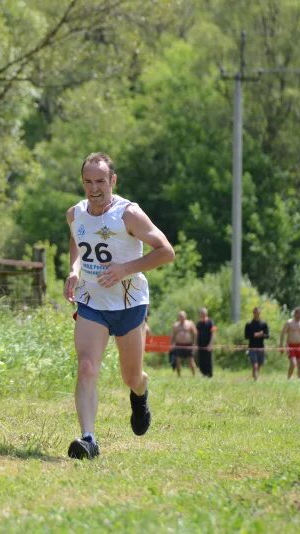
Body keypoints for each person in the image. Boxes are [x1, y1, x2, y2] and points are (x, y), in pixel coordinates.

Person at [63, 152, 175, 460]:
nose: (94, 188)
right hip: (91, 302)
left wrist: (125, 269)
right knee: (86, 367)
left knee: (131, 376)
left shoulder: (129, 214)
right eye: (88, 181)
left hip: (129, 303)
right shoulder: (75, 213)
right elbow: (76, 239)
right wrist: (74, 270)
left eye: (100, 181)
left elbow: (166, 252)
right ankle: (88, 439)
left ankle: (140, 396)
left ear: (113, 180)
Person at [279, 307, 300, 380]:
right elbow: (282, 334)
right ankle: (288, 379)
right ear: (295, 313)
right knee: (293, 364)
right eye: (299, 313)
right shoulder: (289, 322)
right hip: (290, 346)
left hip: (299, 346)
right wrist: (281, 346)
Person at [245, 307, 269, 381]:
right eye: (255, 313)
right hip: (251, 347)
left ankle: (254, 375)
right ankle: (256, 379)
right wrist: (256, 334)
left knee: (259, 364)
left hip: (261, 347)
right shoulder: (249, 324)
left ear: (260, 313)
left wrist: (262, 335)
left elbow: (267, 335)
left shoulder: (264, 324)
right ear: (253, 313)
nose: (256, 314)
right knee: (255, 364)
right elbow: (246, 336)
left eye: (258, 313)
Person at [171, 311, 197, 377]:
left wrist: (194, 344)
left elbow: (195, 334)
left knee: (191, 362)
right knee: (178, 361)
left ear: (185, 316)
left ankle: (194, 375)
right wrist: (172, 344)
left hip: (188, 345)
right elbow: (173, 335)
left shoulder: (190, 323)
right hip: (178, 345)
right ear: (178, 317)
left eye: (182, 316)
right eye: (180, 316)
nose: (181, 318)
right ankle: (179, 376)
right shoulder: (176, 325)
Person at [196, 307, 216, 378]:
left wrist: (210, 344)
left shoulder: (211, 322)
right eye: (201, 313)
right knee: (201, 360)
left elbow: (213, 333)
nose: (203, 314)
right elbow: (197, 334)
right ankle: (203, 374)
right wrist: (195, 344)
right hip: (200, 344)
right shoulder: (198, 323)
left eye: (204, 313)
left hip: (208, 344)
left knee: (208, 360)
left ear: (206, 313)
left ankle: (209, 375)